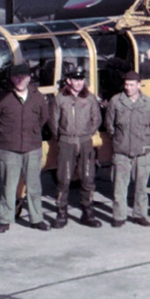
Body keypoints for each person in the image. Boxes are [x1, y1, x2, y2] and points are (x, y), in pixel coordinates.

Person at [0, 62, 50, 233]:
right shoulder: (2, 97)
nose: (20, 79)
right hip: (8, 148)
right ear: (12, 79)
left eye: (24, 76)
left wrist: (34, 131)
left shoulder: (37, 96)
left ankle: (36, 219)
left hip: (32, 147)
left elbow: (44, 117)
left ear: (29, 78)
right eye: (16, 76)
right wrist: (5, 133)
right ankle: (5, 219)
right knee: (9, 186)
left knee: (34, 186)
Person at [50, 62, 103, 228]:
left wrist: (87, 132)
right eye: (76, 79)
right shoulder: (60, 99)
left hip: (85, 142)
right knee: (63, 179)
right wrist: (64, 136)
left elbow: (97, 119)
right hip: (67, 142)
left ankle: (88, 213)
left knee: (87, 178)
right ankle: (61, 214)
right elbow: (53, 122)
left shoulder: (89, 98)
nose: (79, 82)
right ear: (68, 81)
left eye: (81, 79)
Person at [106, 70, 150, 227]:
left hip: (142, 152)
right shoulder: (116, 102)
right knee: (119, 187)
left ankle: (140, 214)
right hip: (122, 152)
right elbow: (110, 125)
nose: (128, 88)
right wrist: (119, 140)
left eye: (132, 85)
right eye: (126, 84)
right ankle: (119, 216)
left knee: (141, 186)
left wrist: (144, 140)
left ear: (139, 85)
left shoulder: (148, 103)